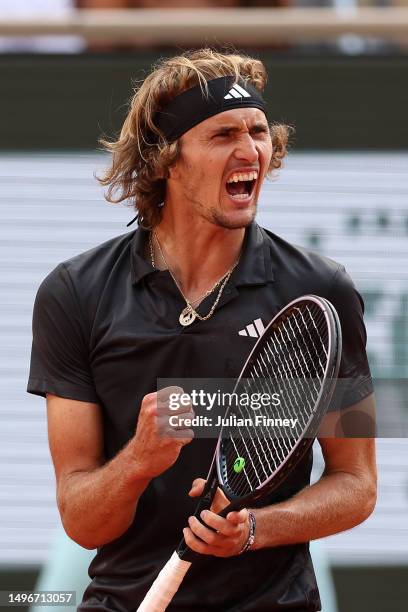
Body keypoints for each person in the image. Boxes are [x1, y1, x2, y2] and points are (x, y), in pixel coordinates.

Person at [27, 48, 377, 611]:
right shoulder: (74, 293)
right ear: (167, 159)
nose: (251, 151)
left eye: (259, 132)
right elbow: (81, 519)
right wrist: (140, 458)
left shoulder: (325, 290)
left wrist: (255, 529)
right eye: (222, 135)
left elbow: (357, 485)